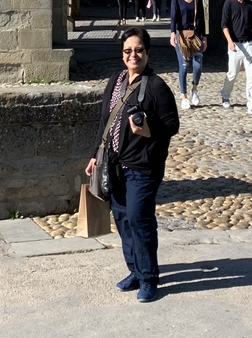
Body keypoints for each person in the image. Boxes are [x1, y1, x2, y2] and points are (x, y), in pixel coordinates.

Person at [85, 26, 179, 303]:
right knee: (123, 220)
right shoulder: (116, 81)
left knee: (140, 219)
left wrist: (149, 130)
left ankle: (149, 278)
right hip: (115, 164)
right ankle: (135, 271)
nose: (133, 55)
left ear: (147, 53)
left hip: (143, 166)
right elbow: (105, 121)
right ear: (122, 54)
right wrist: (95, 154)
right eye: (128, 51)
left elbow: (172, 125)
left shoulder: (157, 86)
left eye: (139, 50)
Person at [220, 0, 252, 117]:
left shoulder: (250, 5)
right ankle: (225, 95)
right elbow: (224, 24)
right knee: (232, 74)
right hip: (235, 44)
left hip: (248, 43)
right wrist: (230, 41)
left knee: (251, 76)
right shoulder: (229, 3)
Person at [169, 0, 207, 109]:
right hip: (182, 35)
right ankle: (184, 95)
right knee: (184, 65)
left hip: (195, 35)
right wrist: (172, 33)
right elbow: (173, 17)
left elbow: (201, 18)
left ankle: (194, 89)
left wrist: (204, 37)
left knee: (198, 65)